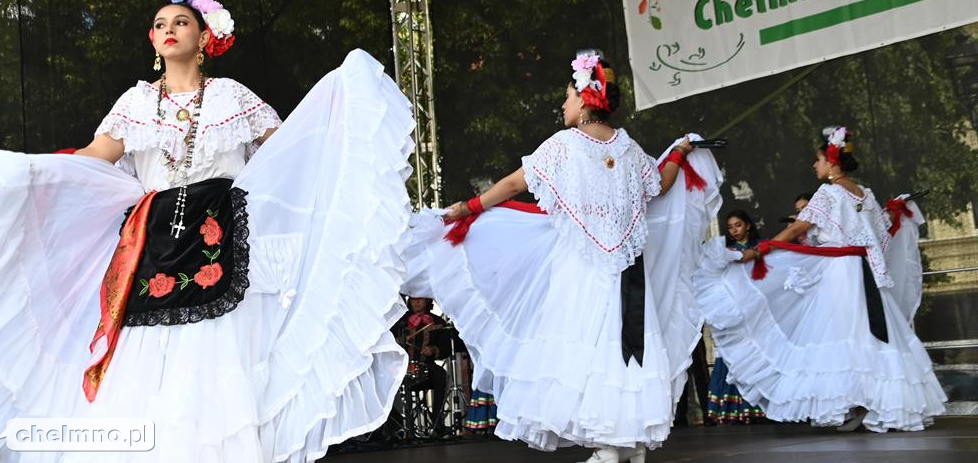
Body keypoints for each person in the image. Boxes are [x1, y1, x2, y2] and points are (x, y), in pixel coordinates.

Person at [0, 0, 414, 462]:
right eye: (159, 24)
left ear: (203, 38)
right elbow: (95, 156)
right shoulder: (133, 104)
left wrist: (338, 126)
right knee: (145, 362)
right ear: (153, 42)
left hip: (222, 241)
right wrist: (34, 174)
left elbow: (288, 152)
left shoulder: (233, 97)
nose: (168, 29)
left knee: (217, 358)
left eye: (180, 22)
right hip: (152, 246)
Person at [403, 51, 722, 463]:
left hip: (585, 270)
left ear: (587, 99)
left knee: (590, 348)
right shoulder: (627, 147)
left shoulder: (564, 146)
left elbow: (517, 182)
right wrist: (679, 152)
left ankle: (615, 446)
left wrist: (469, 207)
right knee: (620, 348)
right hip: (626, 271)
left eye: (569, 96)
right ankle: (627, 442)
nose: (564, 104)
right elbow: (659, 185)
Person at [694, 127, 946, 433]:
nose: (815, 166)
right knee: (869, 336)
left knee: (841, 335)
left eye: (817, 160)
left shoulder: (828, 193)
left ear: (831, 162)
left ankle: (861, 403)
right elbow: (879, 231)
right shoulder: (864, 194)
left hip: (842, 272)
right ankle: (874, 404)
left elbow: (797, 227)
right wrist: (893, 213)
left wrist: (760, 250)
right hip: (863, 270)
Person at [703, 211, 765, 425]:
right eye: (730, 227)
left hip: (755, 307)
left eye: (738, 225)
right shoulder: (726, 251)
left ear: (747, 225)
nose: (734, 230)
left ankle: (757, 409)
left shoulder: (760, 247)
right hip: (734, 308)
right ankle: (730, 410)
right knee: (732, 356)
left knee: (756, 355)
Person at [393, 297, 450, 434]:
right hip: (401, 366)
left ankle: (437, 422)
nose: (416, 302)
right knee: (380, 380)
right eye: (413, 299)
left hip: (426, 366)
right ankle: (394, 425)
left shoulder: (438, 322)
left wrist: (433, 349)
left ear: (428, 301)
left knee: (440, 374)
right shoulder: (400, 321)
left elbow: (446, 348)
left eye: (420, 299)